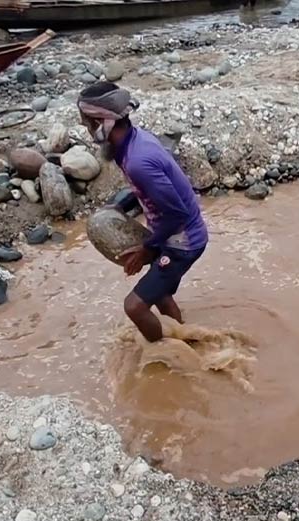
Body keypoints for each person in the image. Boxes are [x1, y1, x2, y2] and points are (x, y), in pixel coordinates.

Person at [77, 82, 209, 344]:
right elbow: (144, 191)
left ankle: (167, 354)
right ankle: (184, 338)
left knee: (134, 307)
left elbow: (176, 214)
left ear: (103, 122)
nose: (86, 129)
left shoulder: (138, 161)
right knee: (158, 292)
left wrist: (147, 249)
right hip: (173, 234)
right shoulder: (131, 143)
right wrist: (120, 207)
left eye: (87, 123)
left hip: (184, 242)